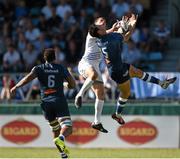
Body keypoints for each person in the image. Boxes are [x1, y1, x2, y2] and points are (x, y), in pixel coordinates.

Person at [88, 14, 177, 125]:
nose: (102, 24)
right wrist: (132, 25)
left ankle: (161, 83)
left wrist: (117, 28)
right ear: (99, 32)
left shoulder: (100, 39)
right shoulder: (111, 39)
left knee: (137, 72)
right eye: (100, 26)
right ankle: (117, 114)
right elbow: (126, 36)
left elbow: (111, 33)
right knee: (126, 92)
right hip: (117, 71)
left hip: (117, 66)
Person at [10, 48, 76, 159]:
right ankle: (61, 139)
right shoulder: (61, 68)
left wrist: (16, 86)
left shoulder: (39, 68)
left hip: (46, 103)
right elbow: (73, 85)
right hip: (59, 100)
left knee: (55, 128)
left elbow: (28, 78)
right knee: (67, 127)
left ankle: (63, 154)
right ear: (55, 57)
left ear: (44, 58)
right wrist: (66, 85)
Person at [75, 17, 120, 133]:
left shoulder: (104, 34)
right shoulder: (92, 33)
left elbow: (107, 33)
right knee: (94, 74)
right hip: (85, 64)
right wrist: (112, 29)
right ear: (96, 26)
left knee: (101, 94)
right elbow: (100, 31)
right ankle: (79, 95)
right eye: (100, 21)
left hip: (95, 67)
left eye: (103, 20)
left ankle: (96, 122)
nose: (103, 21)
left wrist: (116, 28)